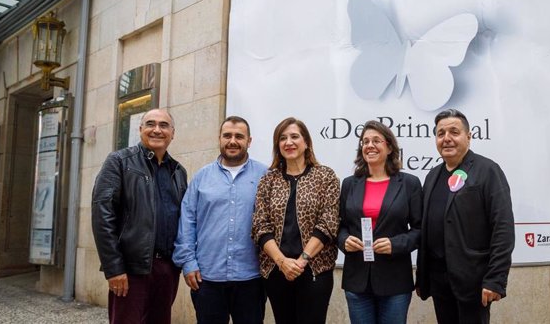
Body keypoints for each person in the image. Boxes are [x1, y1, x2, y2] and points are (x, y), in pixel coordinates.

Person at [416, 109, 515, 324]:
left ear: (468, 137)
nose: (447, 138)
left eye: (454, 132)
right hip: (439, 280)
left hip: (473, 281)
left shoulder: (488, 170)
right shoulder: (433, 175)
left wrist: (495, 279)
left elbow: (503, 227)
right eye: (441, 133)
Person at [91, 109, 188, 324]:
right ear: (140, 129)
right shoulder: (119, 161)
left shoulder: (178, 171)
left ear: (173, 133)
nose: (157, 130)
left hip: (167, 269)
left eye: (164, 125)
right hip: (131, 268)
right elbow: (102, 216)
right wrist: (114, 268)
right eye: (150, 124)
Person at [173, 116, 268, 324]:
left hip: (251, 278)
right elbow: (187, 222)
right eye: (227, 136)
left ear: (249, 141)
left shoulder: (266, 175)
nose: (232, 141)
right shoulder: (201, 177)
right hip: (207, 278)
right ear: (219, 139)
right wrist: (188, 262)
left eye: (239, 136)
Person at [251, 117, 340, 324]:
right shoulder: (268, 179)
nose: (288, 142)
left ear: (306, 142)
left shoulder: (325, 176)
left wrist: (301, 262)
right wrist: (282, 262)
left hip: (315, 269)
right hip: (276, 270)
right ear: (277, 145)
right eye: (283, 138)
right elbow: (259, 224)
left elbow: (328, 222)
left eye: (294, 136)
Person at [338, 120, 422, 324]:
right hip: (357, 281)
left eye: (376, 140)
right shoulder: (349, 184)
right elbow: (340, 226)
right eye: (365, 141)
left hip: (394, 281)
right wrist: (344, 240)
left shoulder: (409, 183)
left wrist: (396, 244)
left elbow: (420, 230)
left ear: (389, 147)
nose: (369, 145)